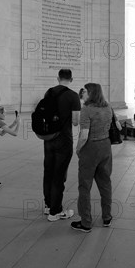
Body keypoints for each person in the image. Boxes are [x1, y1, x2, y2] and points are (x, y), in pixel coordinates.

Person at [71, 83, 116, 233]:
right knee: (105, 183)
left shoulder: (86, 109)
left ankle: (86, 222)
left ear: (91, 93)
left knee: (85, 185)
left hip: (91, 148)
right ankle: (107, 217)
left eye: (85, 91)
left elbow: (84, 135)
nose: (82, 93)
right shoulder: (108, 107)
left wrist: (78, 149)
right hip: (106, 146)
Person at [42, 69, 81, 221]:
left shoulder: (48, 92)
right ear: (71, 79)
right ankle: (55, 212)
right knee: (59, 175)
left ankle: (48, 205)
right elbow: (76, 121)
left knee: (48, 172)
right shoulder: (73, 95)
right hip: (64, 139)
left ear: (57, 78)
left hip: (49, 138)